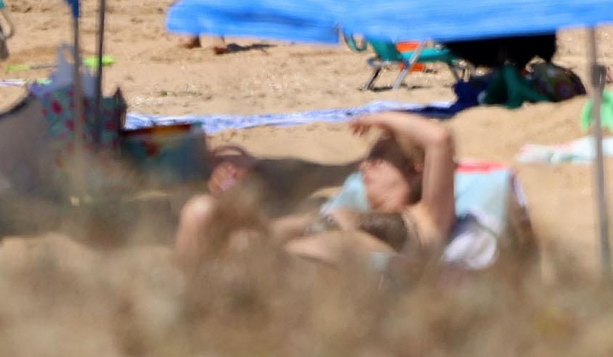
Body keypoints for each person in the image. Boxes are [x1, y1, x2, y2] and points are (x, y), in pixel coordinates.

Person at [174, 112, 457, 270]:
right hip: (280, 247)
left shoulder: (426, 218)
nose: (364, 165)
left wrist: (382, 117)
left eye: (378, 157)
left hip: (315, 272)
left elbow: (439, 139)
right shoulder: (353, 206)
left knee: (245, 246)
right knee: (201, 211)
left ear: (416, 168)